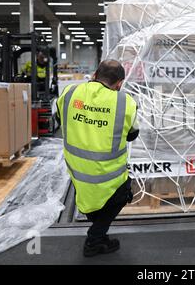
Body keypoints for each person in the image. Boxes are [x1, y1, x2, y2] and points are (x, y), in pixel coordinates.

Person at [56, 60, 139, 257]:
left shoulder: (69, 93)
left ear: (94, 75)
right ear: (119, 83)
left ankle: (99, 232)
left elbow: (61, 119)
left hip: (77, 169)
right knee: (124, 193)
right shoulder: (124, 102)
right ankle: (94, 240)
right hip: (107, 174)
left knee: (92, 202)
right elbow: (132, 134)